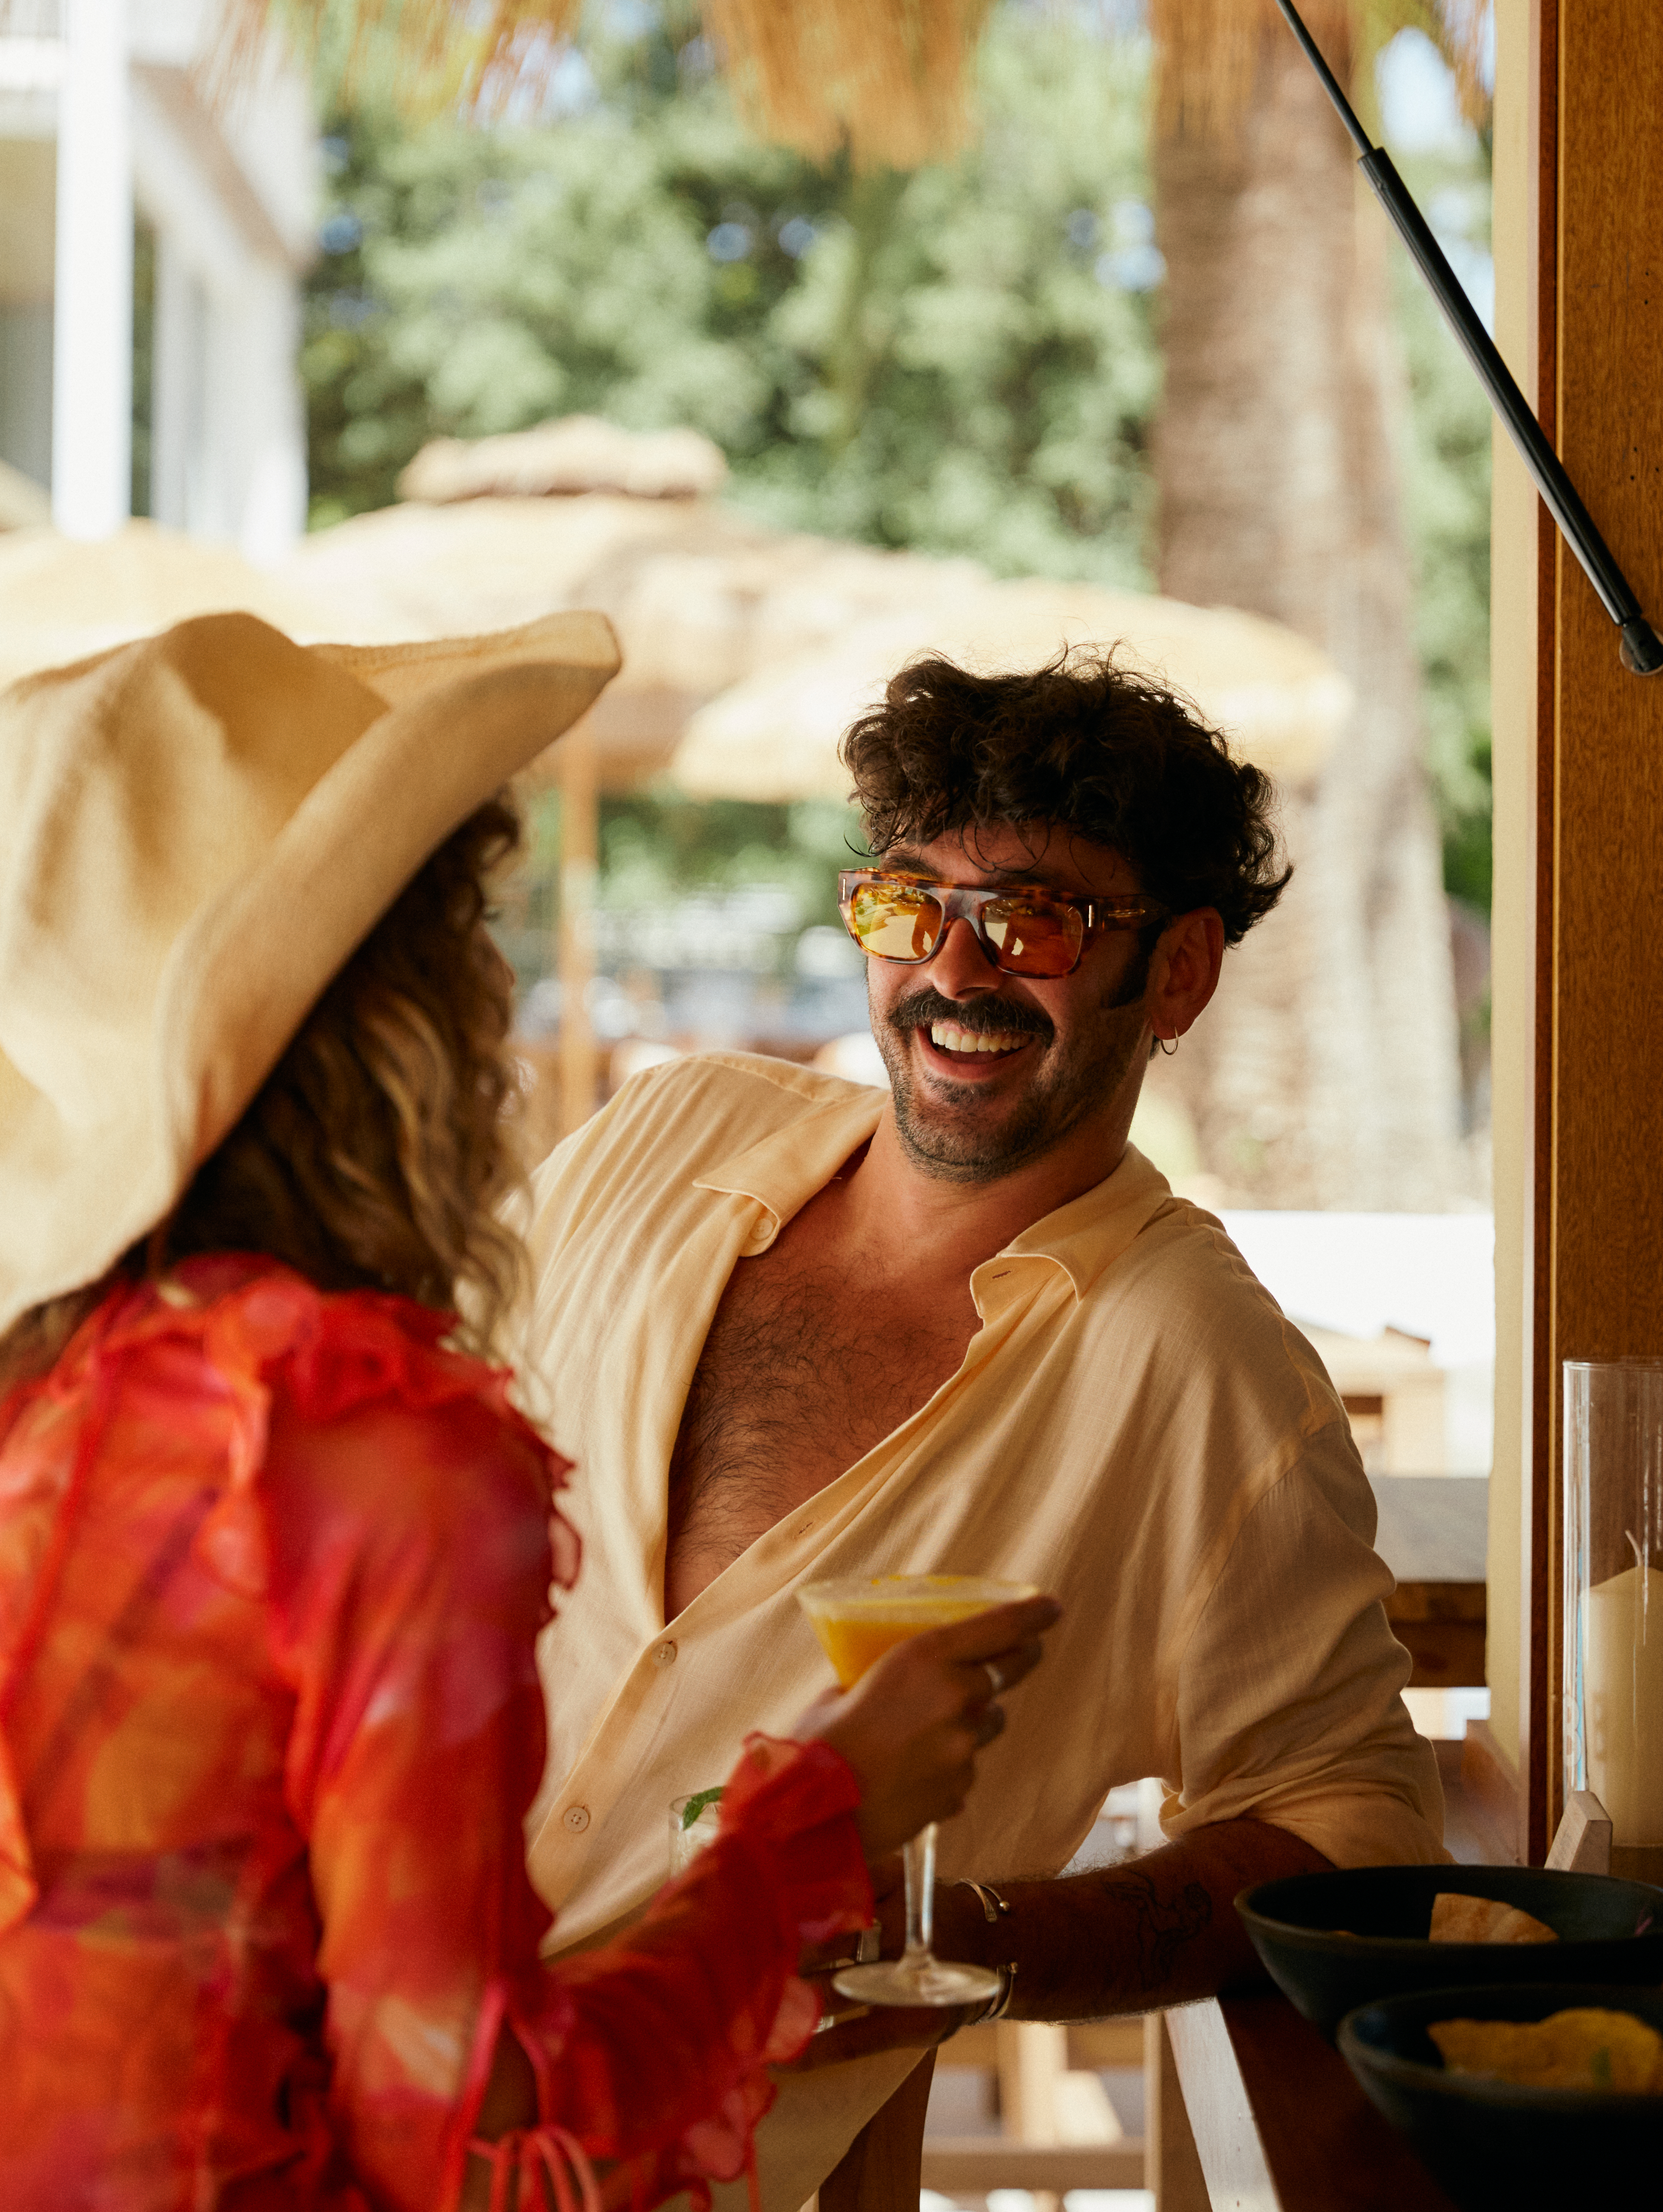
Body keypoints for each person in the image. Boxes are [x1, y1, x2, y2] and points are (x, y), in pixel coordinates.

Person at [0, 610, 1056, 2212]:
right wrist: (821, 1816)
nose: (495, 976)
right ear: (392, 1008)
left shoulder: (39, 1390)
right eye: (461, 924)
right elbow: (488, 2145)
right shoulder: (367, 1454)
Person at [521, 649, 1447, 2212]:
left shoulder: (1197, 1366)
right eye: (907, 906)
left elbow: (1348, 1832)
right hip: (333, 2063)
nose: (952, 971)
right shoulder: (660, 1138)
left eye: (1031, 919)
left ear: (1178, 971)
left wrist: (955, 1942)